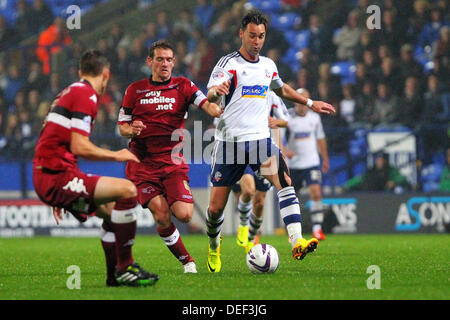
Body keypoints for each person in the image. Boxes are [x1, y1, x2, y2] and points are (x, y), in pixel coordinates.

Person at [204, 10, 335, 273]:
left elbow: (282, 89)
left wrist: (310, 103)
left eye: (261, 36)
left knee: (284, 181)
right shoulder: (227, 64)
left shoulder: (267, 65)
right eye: (252, 35)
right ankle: (213, 245)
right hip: (229, 144)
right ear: (241, 34)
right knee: (216, 209)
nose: (256, 41)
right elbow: (210, 94)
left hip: (259, 141)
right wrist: (215, 92)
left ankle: (296, 240)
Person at [32, 49, 158, 287]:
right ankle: (126, 266)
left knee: (112, 212)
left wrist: (57, 191)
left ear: (81, 72)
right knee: (128, 190)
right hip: (56, 176)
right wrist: (116, 155)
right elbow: (80, 146)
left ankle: (114, 277)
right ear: (106, 74)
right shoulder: (86, 95)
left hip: (53, 176)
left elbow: (49, 137)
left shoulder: (67, 93)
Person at [117, 40, 222, 274]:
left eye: (168, 59)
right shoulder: (134, 90)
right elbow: (121, 127)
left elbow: (206, 103)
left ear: (174, 62)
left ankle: (186, 252)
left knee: (184, 215)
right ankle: (188, 262)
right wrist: (130, 129)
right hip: (142, 165)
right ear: (150, 61)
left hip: (172, 163)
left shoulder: (183, 86)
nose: (164, 63)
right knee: (162, 213)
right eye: (159, 59)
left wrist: (215, 107)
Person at [234, 90, 291, 252]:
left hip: (263, 151)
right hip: (241, 149)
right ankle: (243, 225)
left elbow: (286, 121)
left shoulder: (271, 95)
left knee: (259, 202)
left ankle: (252, 238)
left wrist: (275, 122)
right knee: (248, 190)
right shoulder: (239, 91)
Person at [284, 88, 329, 241]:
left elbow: (320, 139)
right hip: (293, 165)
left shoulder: (315, 118)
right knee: (292, 198)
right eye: (300, 99)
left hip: (311, 163)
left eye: (305, 99)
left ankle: (317, 229)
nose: (302, 103)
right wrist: (284, 151)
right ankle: (294, 233)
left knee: (316, 191)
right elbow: (277, 135)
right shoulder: (287, 116)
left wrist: (325, 159)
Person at [343, 152, 409, 192]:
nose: (379, 162)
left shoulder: (391, 170)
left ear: (385, 161)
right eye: (378, 160)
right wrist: (345, 186)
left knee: (399, 189)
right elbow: (359, 179)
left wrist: (394, 182)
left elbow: (402, 179)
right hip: (372, 195)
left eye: (381, 160)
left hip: (387, 196)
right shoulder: (372, 170)